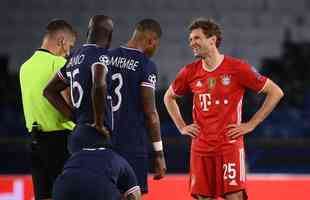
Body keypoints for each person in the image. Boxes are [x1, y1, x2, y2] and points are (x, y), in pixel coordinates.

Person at [164, 18, 284, 200]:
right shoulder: (189, 71)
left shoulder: (237, 68)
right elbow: (168, 97)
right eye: (190, 40)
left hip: (229, 147)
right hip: (200, 148)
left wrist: (251, 124)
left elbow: (275, 92)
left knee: (234, 197)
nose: (192, 44)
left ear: (212, 40)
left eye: (196, 38)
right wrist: (181, 126)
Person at [19, 19, 76, 200]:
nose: (69, 52)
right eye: (70, 46)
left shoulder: (24, 67)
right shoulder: (59, 63)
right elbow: (70, 102)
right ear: (61, 41)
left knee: (44, 196)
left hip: (35, 143)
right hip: (60, 141)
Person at [108, 19, 166, 194]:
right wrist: (159, 154)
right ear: (151, 41)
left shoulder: (106, 57)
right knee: (131, 195)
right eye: (157, 45)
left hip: (104, 141)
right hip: (132, 145)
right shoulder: (146, 65)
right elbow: (151, 114)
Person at [43, 15, 114, 153]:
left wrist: (73, 117)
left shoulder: (73, 58)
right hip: (96, 135)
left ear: (88, 33)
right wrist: (98, 124)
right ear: (109, 37)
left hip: (78, 133)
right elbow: (99, 84)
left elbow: (49, 91)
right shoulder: (101, 55)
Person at [52, 125, 142, 200]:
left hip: (63, 189)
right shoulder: (117, 158)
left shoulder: (76, 156)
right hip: (100, 189)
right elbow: (134, 195)